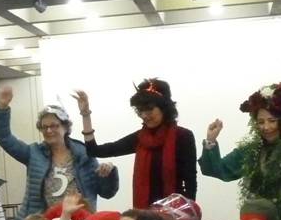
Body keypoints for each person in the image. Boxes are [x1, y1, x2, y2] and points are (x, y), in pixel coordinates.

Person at [200, 82, 281, 220]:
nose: (266, 127)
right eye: (260, 122)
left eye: (272, 121)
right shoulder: (251, 151)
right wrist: (211, 139)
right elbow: (216, 169)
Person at [0, 86, 118, 220]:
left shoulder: (84, 154)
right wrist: (3, 107)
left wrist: (108, 172)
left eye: (54, 125)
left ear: (65, 127)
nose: (49, 130)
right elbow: (4, 138)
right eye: (44, 127)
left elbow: (107, 192)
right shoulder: (33, 153)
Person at [75, 78, 197, 207]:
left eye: (149, 109)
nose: (144, 115)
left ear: (164, 108)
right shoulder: (140, 138)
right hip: (144, 216)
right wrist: (85, 114)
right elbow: (94, 151)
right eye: (140, 111)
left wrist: (188, 214)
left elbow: (190, 181)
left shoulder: (183, 136)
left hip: (175, 214)